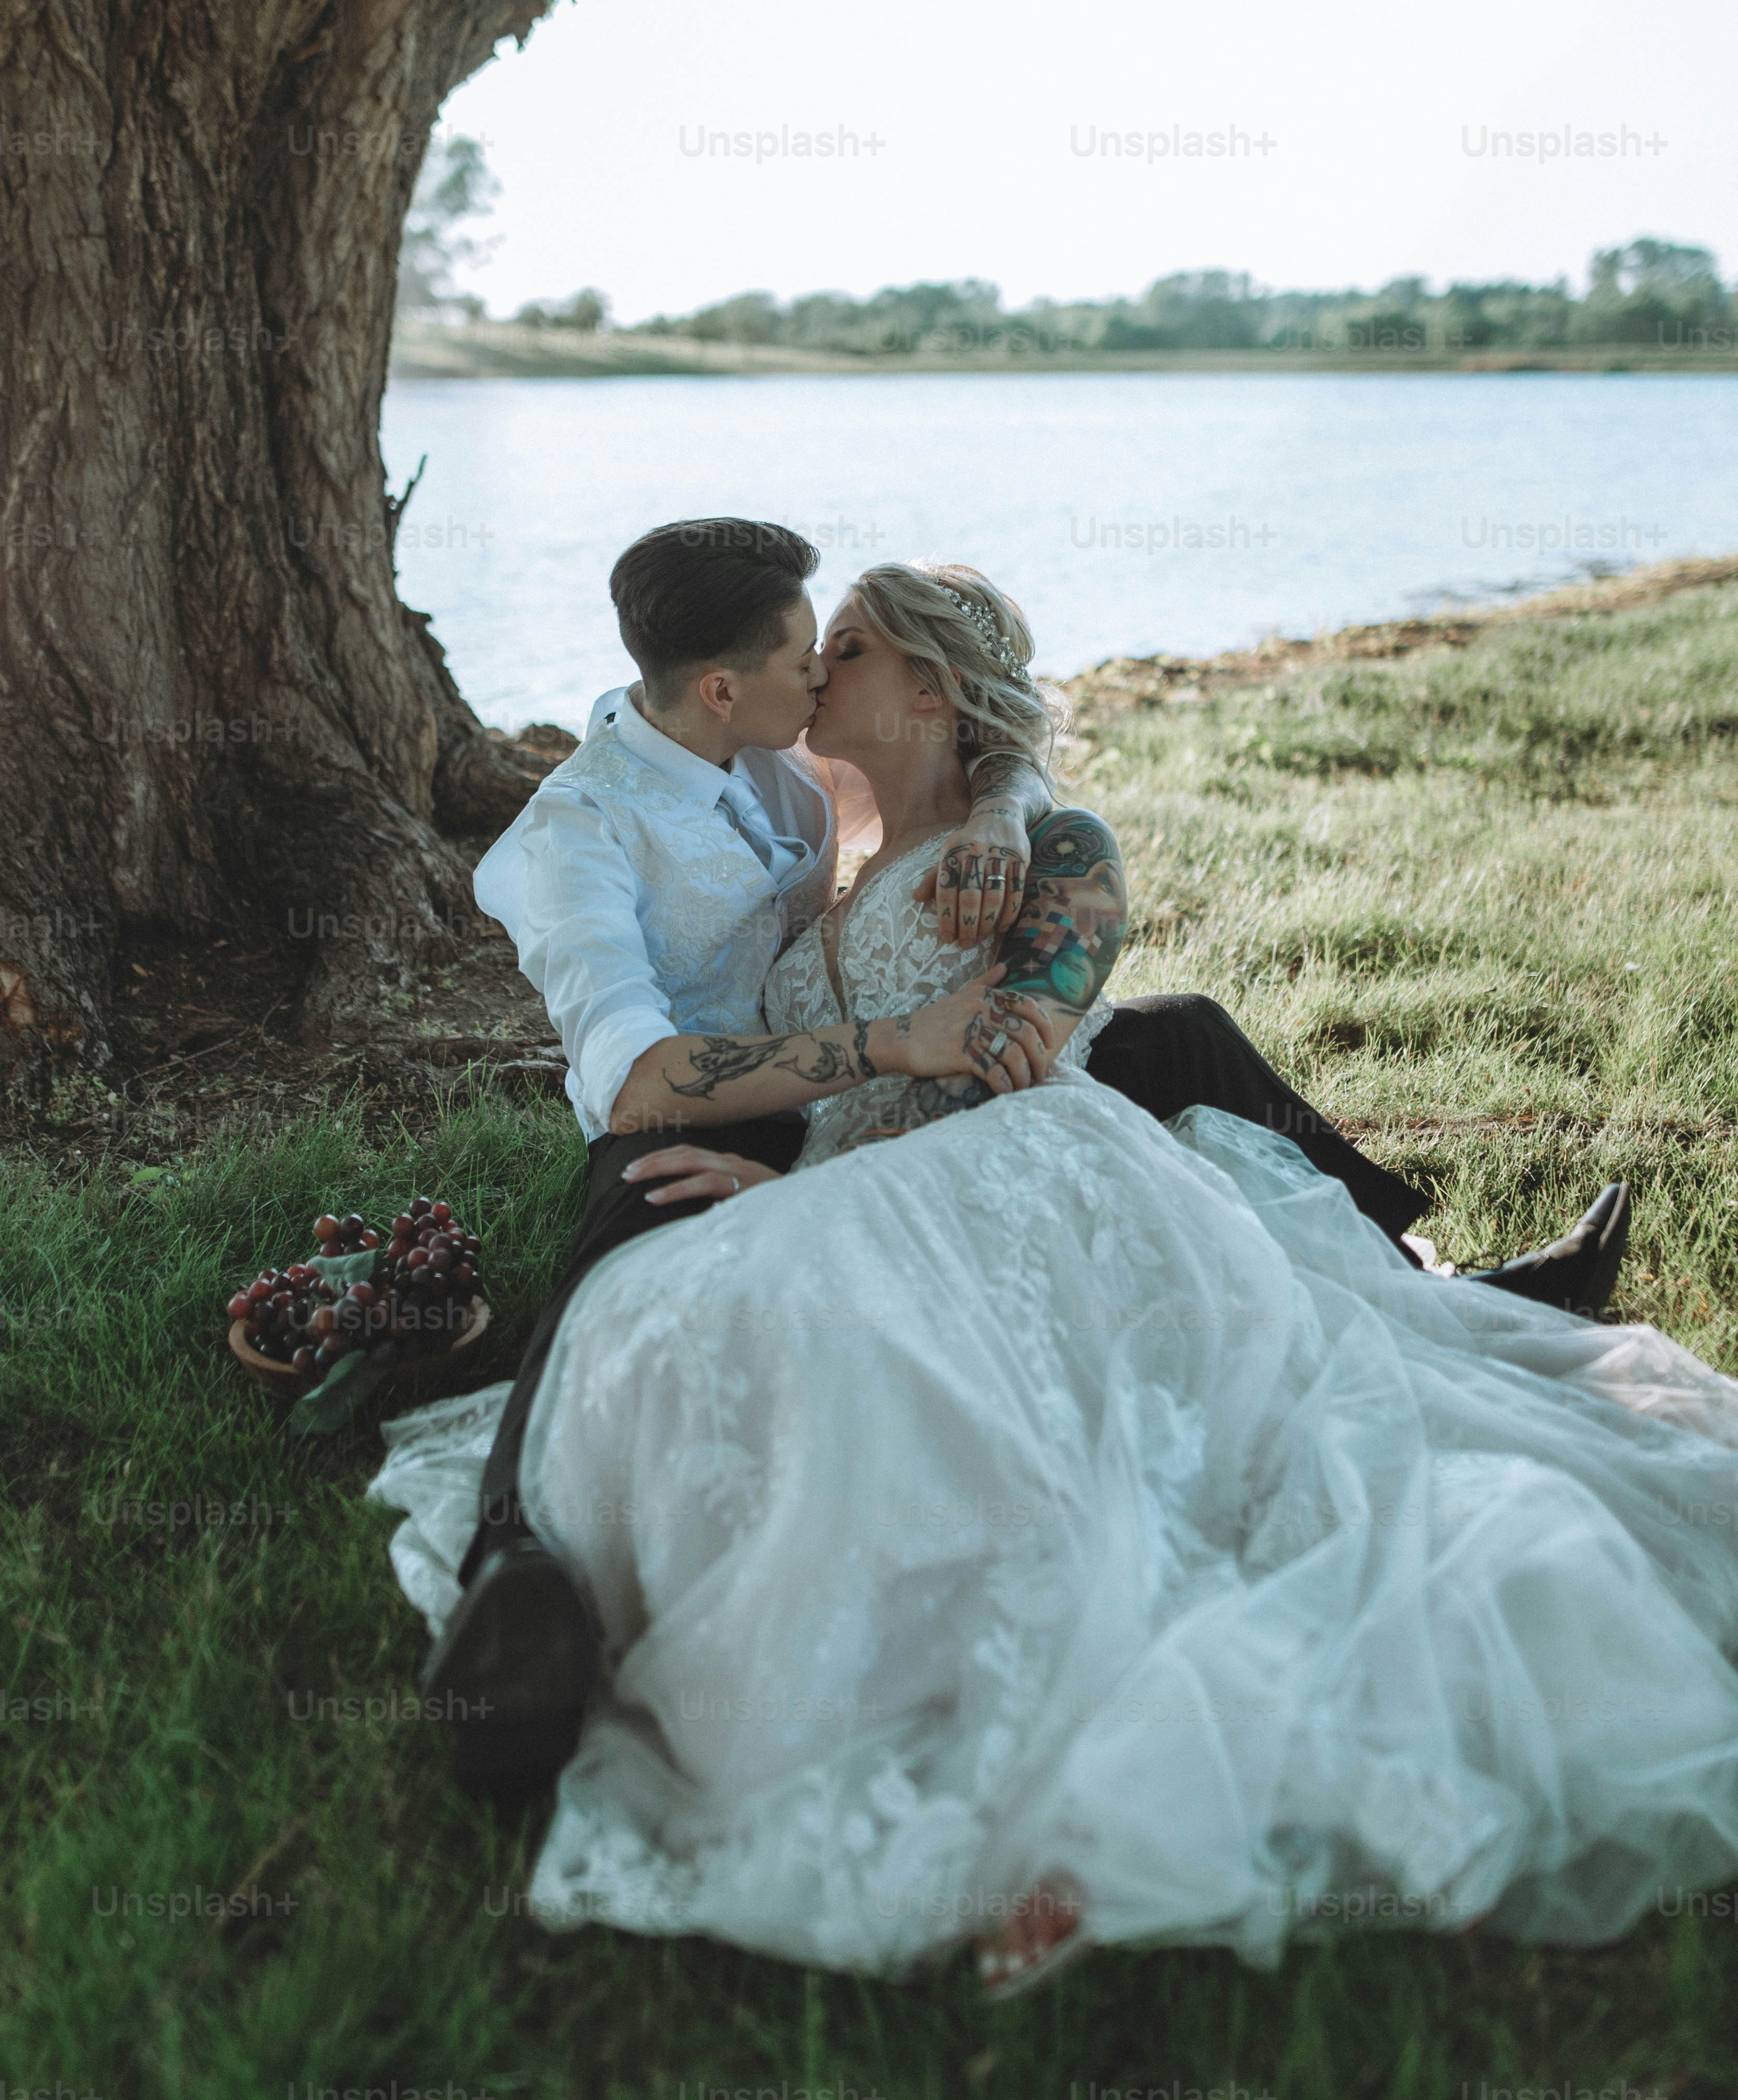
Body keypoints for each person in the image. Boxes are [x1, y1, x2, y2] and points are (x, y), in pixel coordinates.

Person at [365, 564, 1719, 1992]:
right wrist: (798, 1177)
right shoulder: (812, 827)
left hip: (1005, 1191)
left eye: (850, 650)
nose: (817, 674)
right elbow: (801, 1029)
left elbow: (1015, 1048)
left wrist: (1012, 821)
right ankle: (547, 1576)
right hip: (846, 1178)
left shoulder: (1054, 846)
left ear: (933, 689)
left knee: (1173, 1089)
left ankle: (1451, 1310)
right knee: (689, 1278)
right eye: (805, 653)